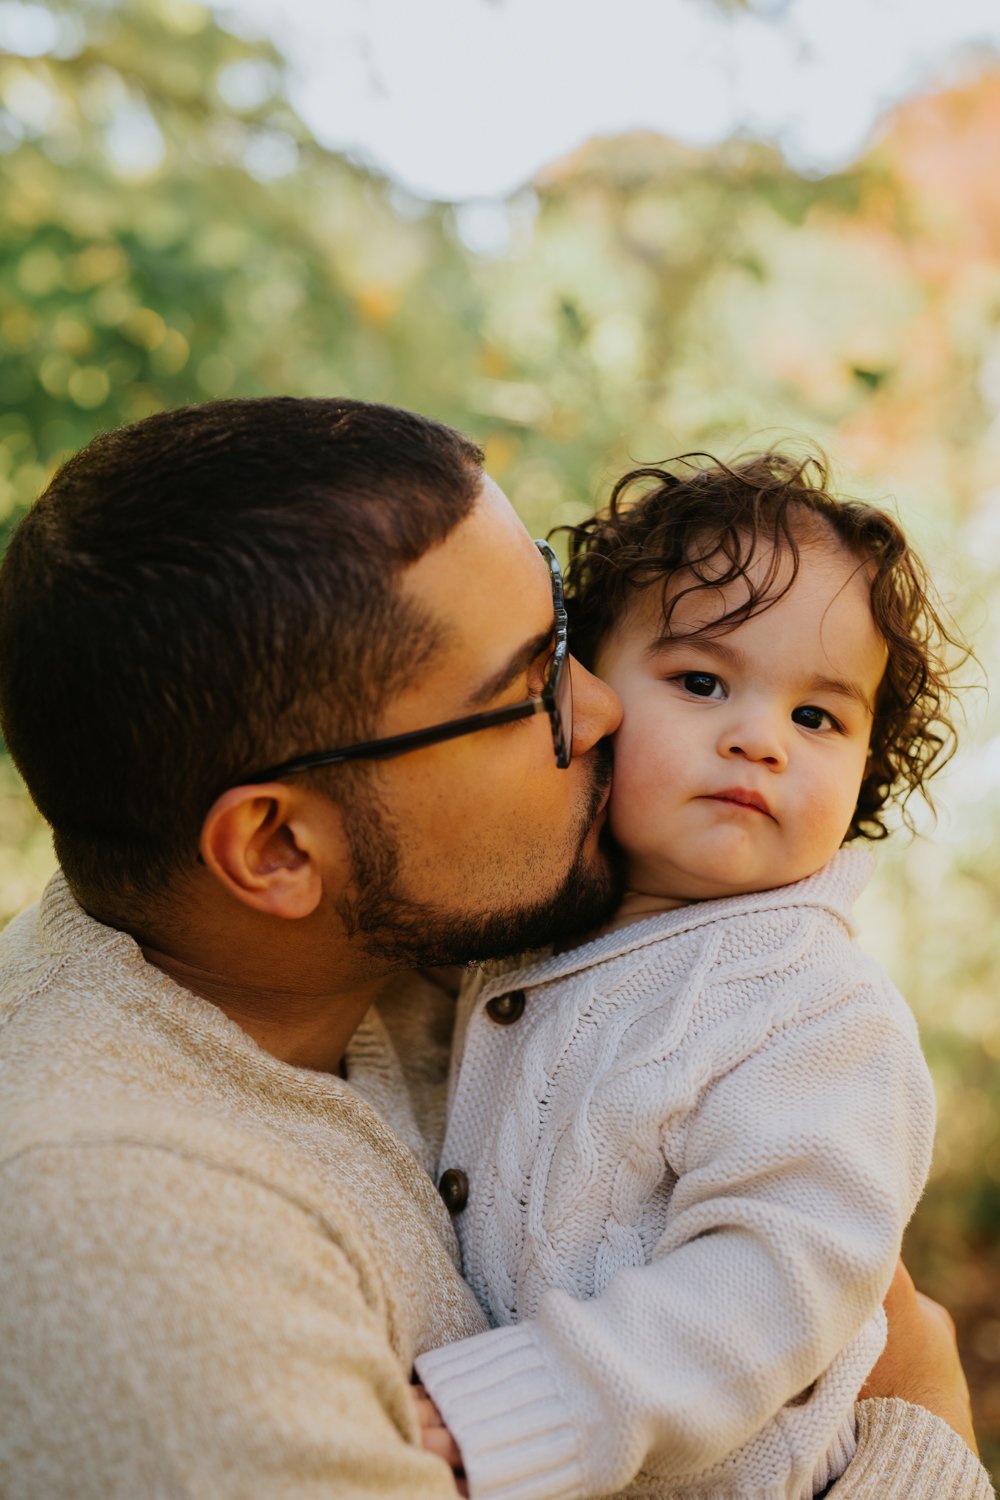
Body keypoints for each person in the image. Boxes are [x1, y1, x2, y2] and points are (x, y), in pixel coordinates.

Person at [0, 401, 989, 1500]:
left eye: (567, 636)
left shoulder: (372, 956)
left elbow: (782, 1268)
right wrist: (923, 1427)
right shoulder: (142, 1282)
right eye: (529, 690)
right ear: (278, 847)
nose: (603, 707)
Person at [414, 455, 994, 1499]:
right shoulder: (517, 932)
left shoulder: (819, 1012)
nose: (757, 738)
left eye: (817, 718)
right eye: (701, 682)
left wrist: (531, 1400)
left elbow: (768, 1286)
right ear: (586, 692)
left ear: (869, 763)